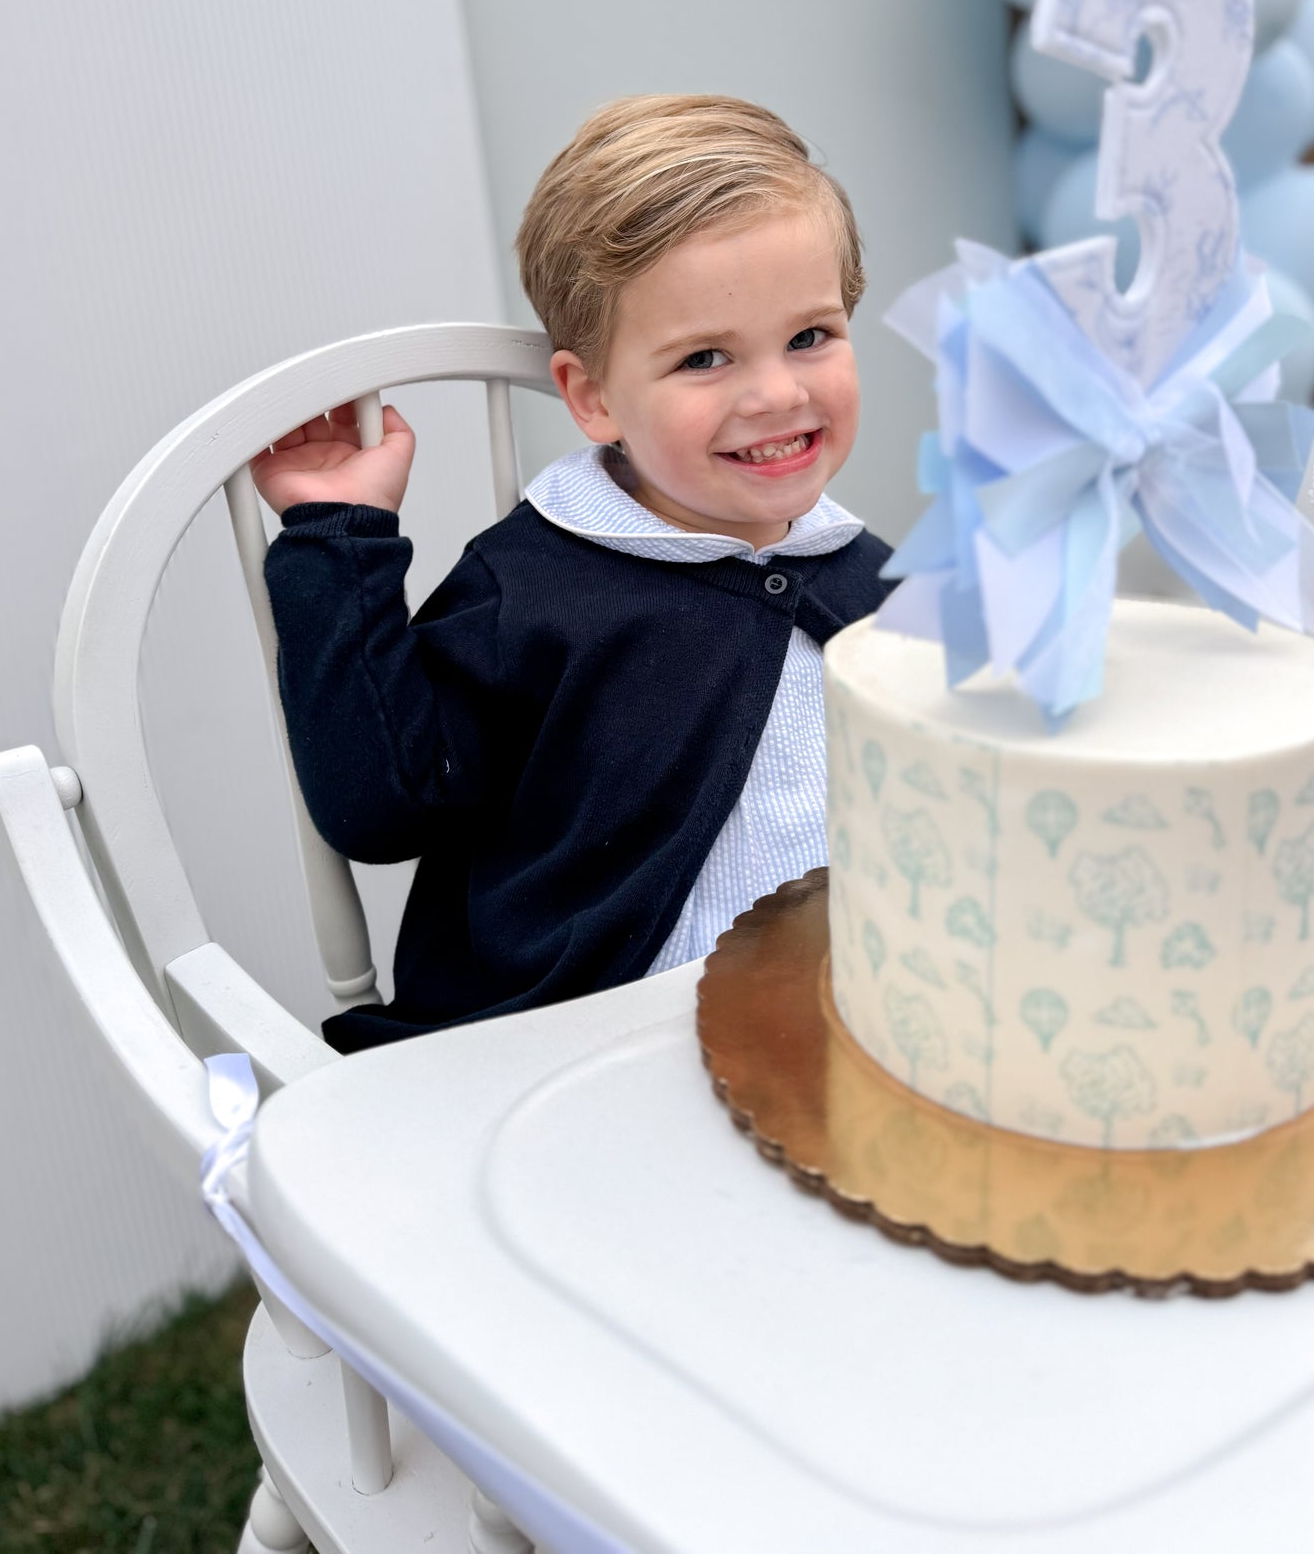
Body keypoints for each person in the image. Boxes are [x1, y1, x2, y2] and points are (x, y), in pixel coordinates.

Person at [257, 95, 892, 1051]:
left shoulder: (874, 581)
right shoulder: (535, 592)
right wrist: (337, 534)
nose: (776, 392)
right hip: (597, 1044)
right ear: (592, 397)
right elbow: (378, 807)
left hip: (855, 1021)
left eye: (810, 336)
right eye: (705, 357)